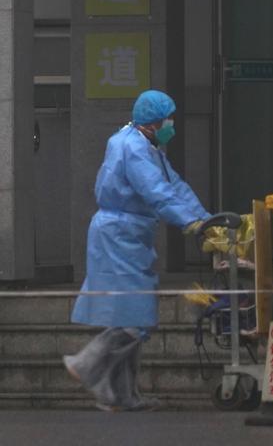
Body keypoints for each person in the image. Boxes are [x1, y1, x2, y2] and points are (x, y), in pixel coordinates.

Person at [63, 90, 211, 412]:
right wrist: (191, 224)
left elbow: (175, 186)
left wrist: (204, 219)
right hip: (119, 235)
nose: (171, 123)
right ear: (156, 121)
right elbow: (158, 193)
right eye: (168, 118)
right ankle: (85, 363)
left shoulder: (144, 144)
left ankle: (119, 396)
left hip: (127, 233)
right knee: (134, 315)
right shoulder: (133, 148)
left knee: (128, 315)